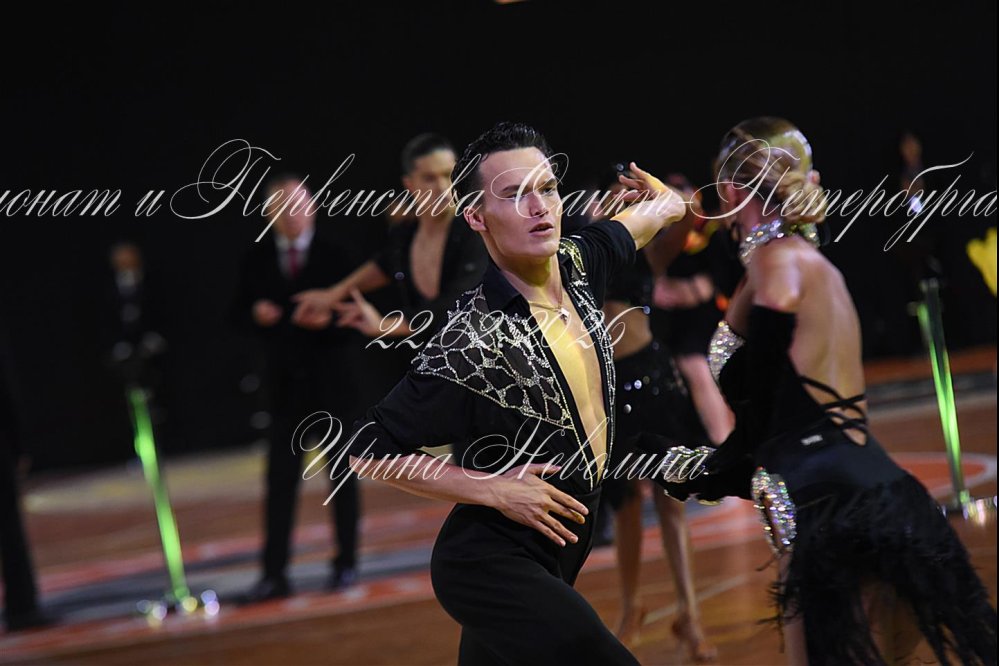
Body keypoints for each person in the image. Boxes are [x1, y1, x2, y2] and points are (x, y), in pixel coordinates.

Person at [344, 122, 705, 665]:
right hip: (489, 563)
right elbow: (368, 448)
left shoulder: (579, 263)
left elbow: (655, 214)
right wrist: (493, 488)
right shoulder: (474, 338)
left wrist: (667, 201)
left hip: (554, 552)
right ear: (476, 217)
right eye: (514, 195)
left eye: (547, 188)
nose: (539, 207)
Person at [675, 117, 997, 664]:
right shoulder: (806, 263)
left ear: (729, 192)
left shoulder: (778, 263)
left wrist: (723, 462)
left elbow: (767, 380)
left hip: (826, 506)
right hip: (874, 490)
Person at [595, 164, 718, 661]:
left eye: (630, 196)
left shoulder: (649, 251)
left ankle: (690, 616)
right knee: (625, 509)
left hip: (653, 382)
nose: (621, 203)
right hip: (607, 389)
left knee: (671, 501)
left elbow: (691, 215)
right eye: (614, 195)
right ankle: (632, 609)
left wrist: (658, 191)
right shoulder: (584, 250)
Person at [232, 175, 361, 602]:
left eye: (299, 205)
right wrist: (256, 314)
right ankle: (274, 573)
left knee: (342, 478)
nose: (292, 215)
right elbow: (235, 315)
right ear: (269, 214)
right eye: (282, 208)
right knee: (280, 484)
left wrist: (330, 319)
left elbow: (362, 315)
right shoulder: (256, 260)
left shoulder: (337, 255)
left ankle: (346, 564)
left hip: (333, 389)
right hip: (284, 391)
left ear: (313, 208)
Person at [292, 133, 488, 344]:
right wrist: (333, 295)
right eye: (429, 178)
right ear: (410, 184)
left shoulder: (476, 229)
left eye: (448, 175)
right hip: (427, 355)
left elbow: (460, 301)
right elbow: (385, 264)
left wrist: (385, 325)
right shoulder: (406, 233)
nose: (442, 187)